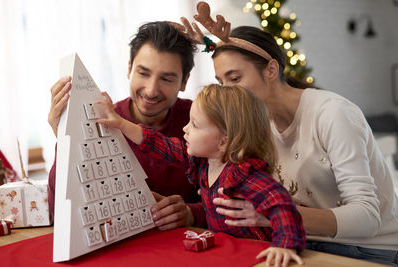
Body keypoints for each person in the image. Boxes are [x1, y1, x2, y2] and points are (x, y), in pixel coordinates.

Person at [198, 20, 398, 266]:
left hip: (367, 250)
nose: (227, 93)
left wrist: (273, 215)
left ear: (271, 70)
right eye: (221, 83)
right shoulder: (258, 125)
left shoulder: (333, 114)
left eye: (235, 79)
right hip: (298, 244)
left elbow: (367, 218)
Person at [96, 84, 306, 267]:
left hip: (254, 254)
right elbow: (159, 144)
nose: (185, 129)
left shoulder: (245, 176)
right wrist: (121, 124)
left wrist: (285, 246)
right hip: (224, 253)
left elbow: (282, 205)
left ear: (223, 141)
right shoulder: (201, 163)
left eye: (195, 125)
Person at [47, 21, 208, 230]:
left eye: (166, 79)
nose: (151, 91)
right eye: (143, 73)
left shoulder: (204, 120)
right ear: (129, 68)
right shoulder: (99, 121)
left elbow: (235, 197)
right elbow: (59, 211)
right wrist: (65, 138)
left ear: (184, 81)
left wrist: (192, 213)